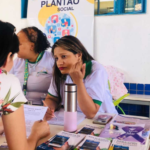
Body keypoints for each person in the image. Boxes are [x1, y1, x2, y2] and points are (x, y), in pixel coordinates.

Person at [0, 21, 50, 150]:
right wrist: (36, 133)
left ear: (32, 46)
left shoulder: (51, 60)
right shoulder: (7, 82)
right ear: (7, 57)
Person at [44, 35, 118, 120]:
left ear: (78, 55)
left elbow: (91, 113)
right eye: (56, 58)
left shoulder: (96, 70)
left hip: (102, 120)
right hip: (75, 119)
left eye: (64, 56)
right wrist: (49, 108)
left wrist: (78, 81)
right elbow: (52, 98)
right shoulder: (60, 72)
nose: (59, 62)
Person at [10, 26, 54, 105]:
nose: (14, 47)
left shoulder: (52, 59)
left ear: (32, 46)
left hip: (46, 109)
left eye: (18, 44)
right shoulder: (16, 62)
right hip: (22, 108)